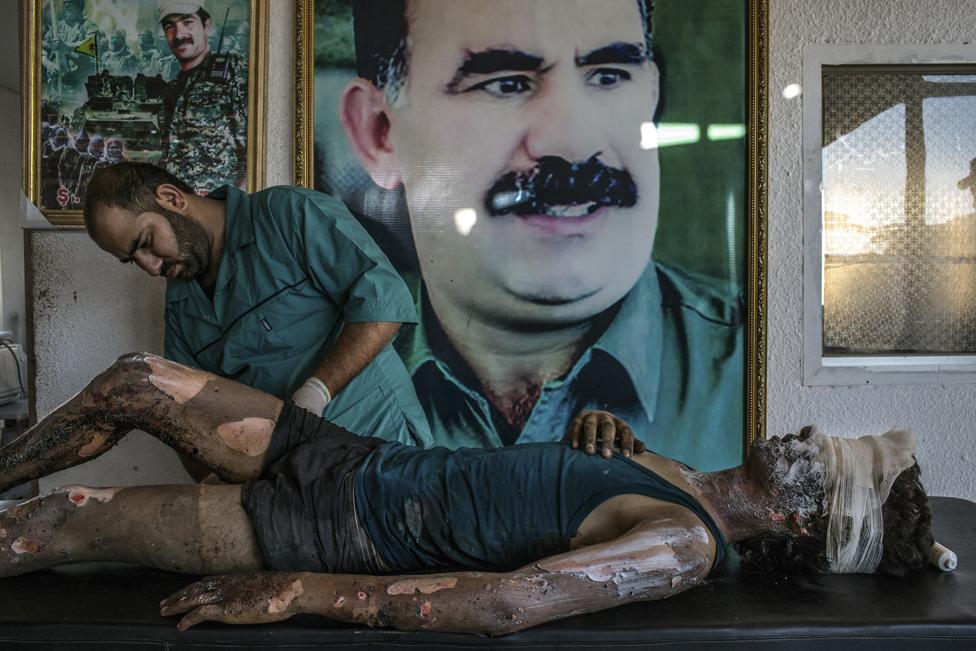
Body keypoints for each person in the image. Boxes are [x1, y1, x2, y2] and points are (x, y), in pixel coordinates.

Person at [0, 354, 933, 635]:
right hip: (356, 455)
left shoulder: (685, 547)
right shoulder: (678, 469)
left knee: (58, 524)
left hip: (338, 525)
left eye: (832, 459)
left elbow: (504, 602)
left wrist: (294, 590)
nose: (814, 438)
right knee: (132, 381)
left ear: (806, 519)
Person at [338, 0, 743, 469]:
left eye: (609, 75)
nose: (574, 142)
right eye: (506, 84)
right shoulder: (337, 379)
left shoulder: (750, 367)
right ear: (380, 132)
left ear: (650, 93)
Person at [83, 162, 432, 454]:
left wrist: (318, 391)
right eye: (133, 260)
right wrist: (213, 477)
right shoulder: (181, 304)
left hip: (380, 444)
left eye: (145, 242)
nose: (151, 267)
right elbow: (187, 411)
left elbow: (385, 303)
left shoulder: (288, 214)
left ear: (172, 199)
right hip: (295, 478)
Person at [157, 0, 248, 194]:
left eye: (187, 22)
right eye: (169, 26)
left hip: (218, 208)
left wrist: (236, 206)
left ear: (207, 26)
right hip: (179, 207)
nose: (179, 34)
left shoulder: (233, 71)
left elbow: (257, 147)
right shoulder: (173, 88)